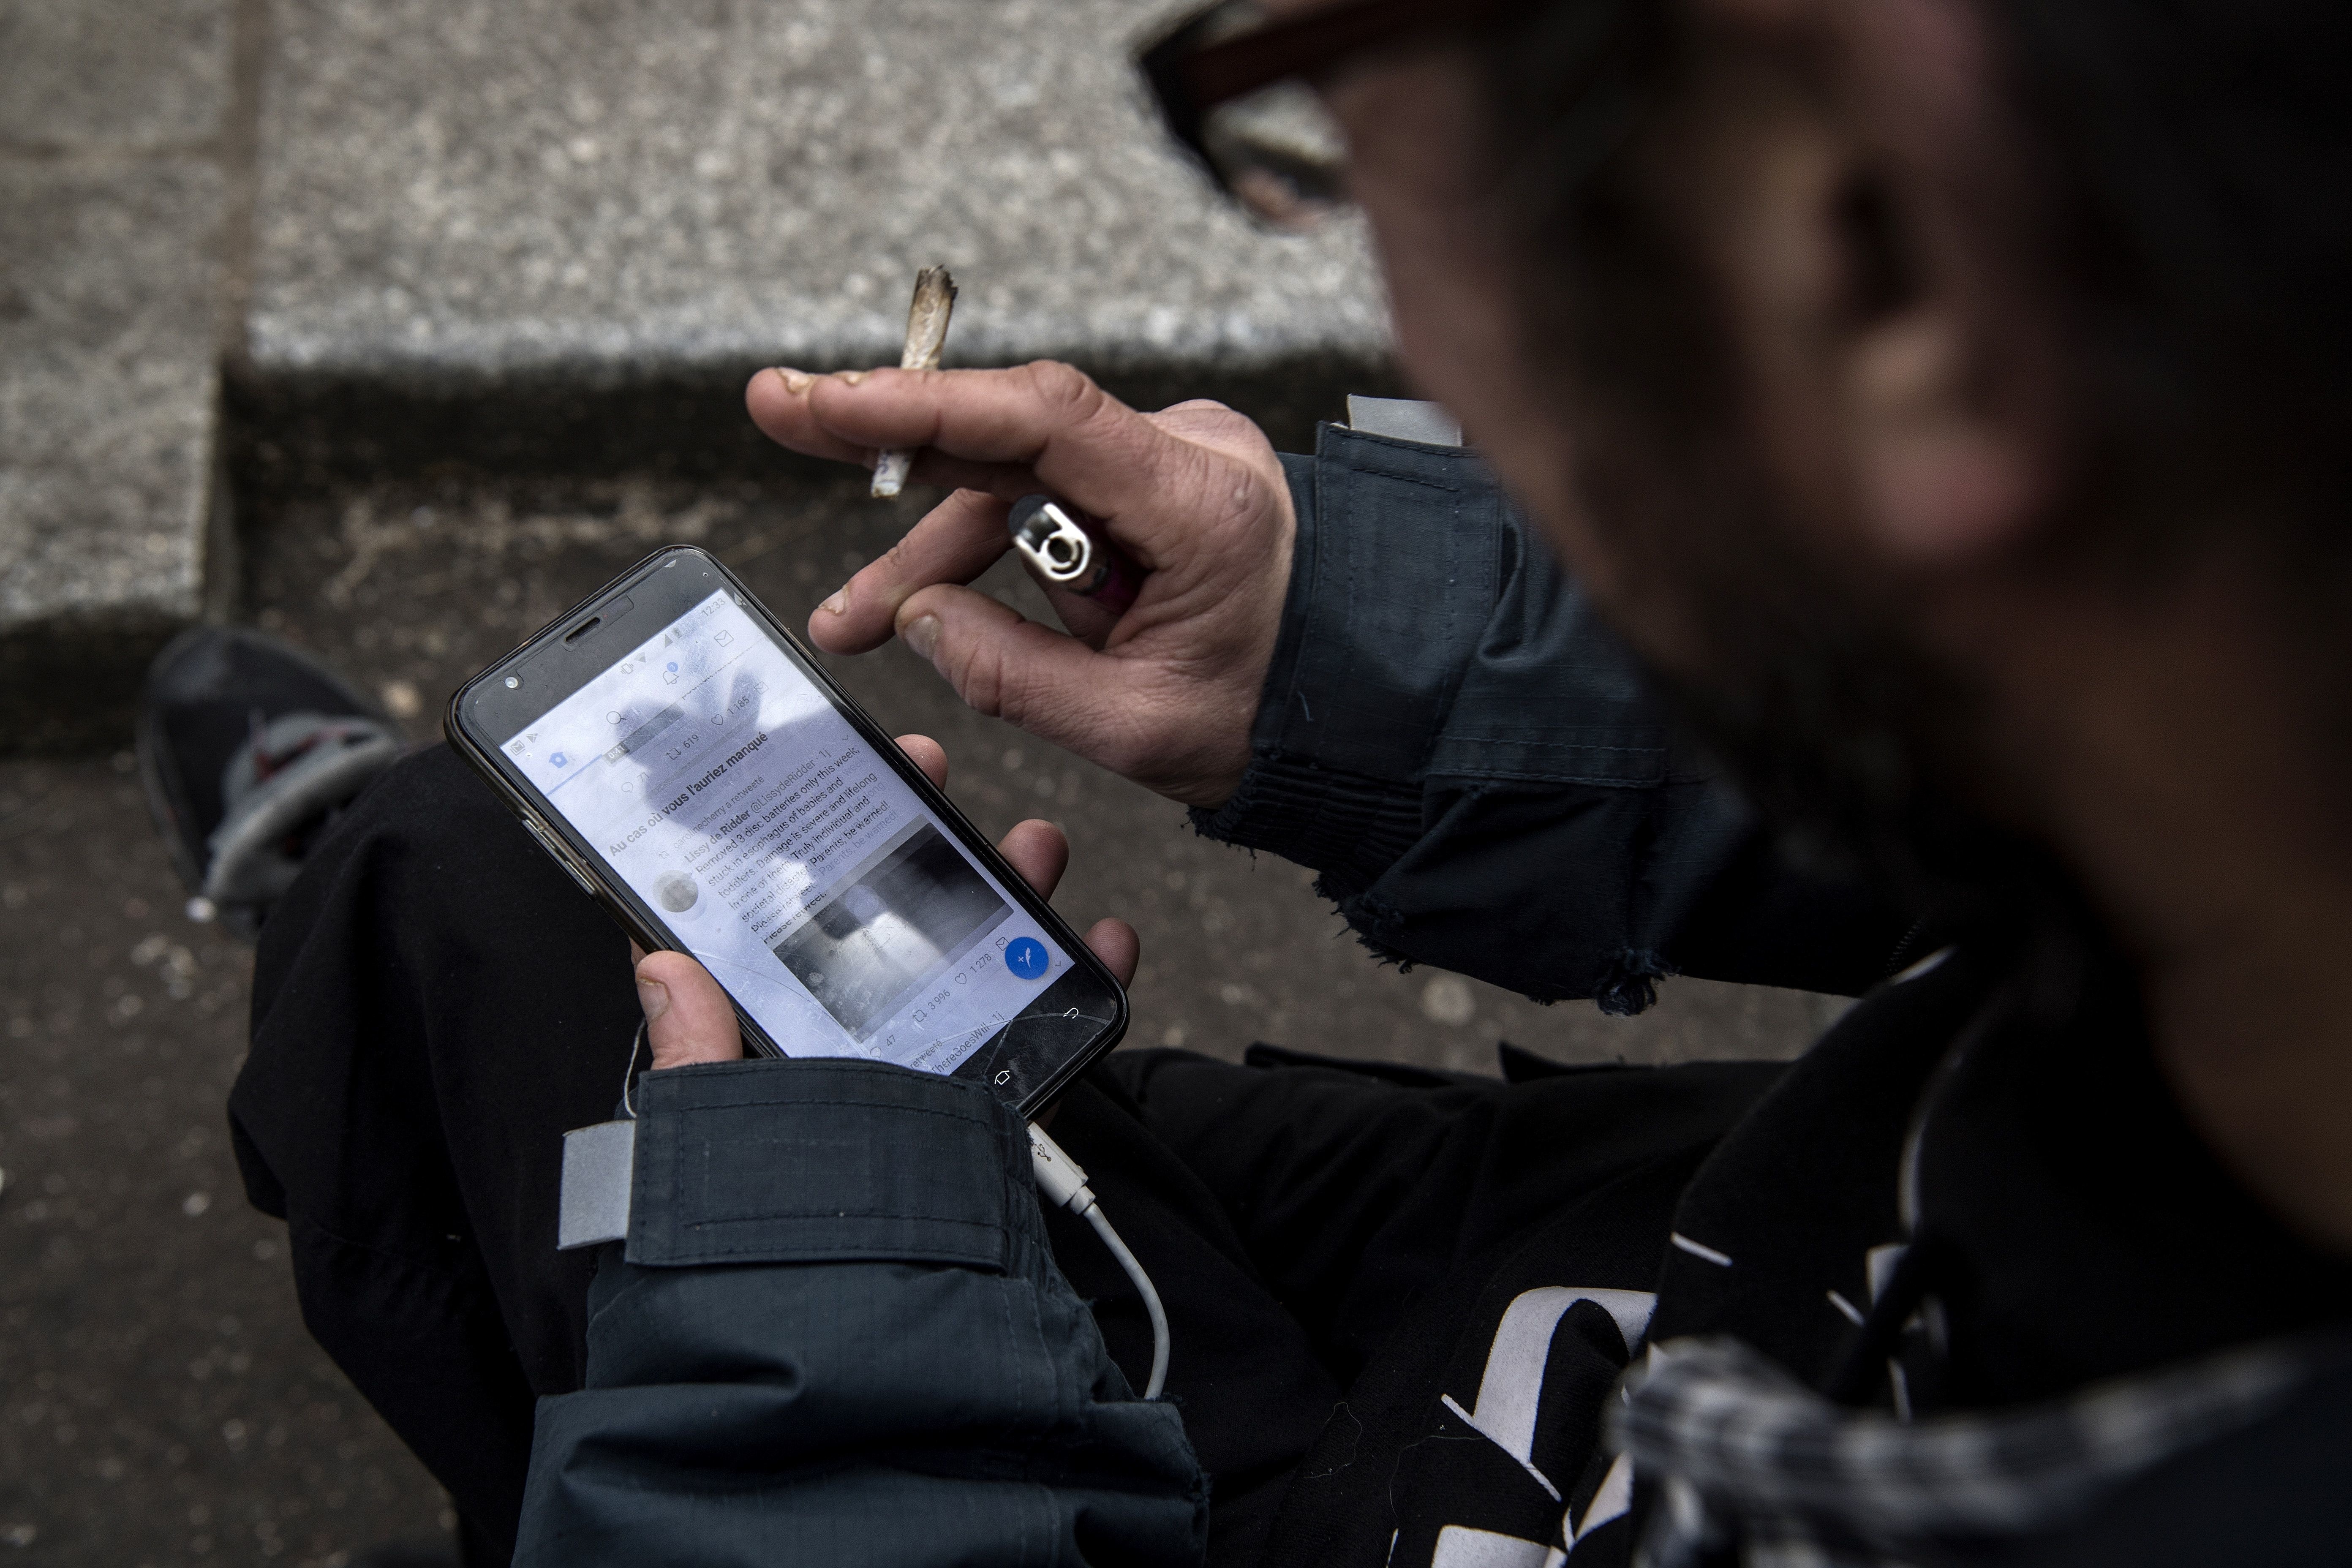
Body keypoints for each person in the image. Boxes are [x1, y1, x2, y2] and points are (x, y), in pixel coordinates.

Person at [150, 0, 2352, 1563]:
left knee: (454, 928)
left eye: (1315, 107)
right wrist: (1350, 636)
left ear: (1872, 247)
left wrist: (818, 1314)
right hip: (1665, 1250)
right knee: (581, 929)